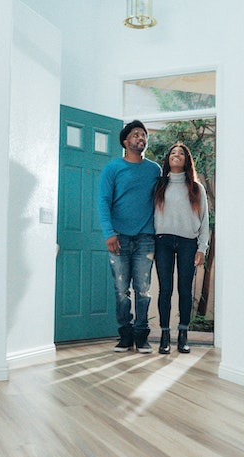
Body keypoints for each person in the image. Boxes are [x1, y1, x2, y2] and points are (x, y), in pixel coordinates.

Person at [98, 120, 162, 353]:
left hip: (146, 237)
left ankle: (141, 334)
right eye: (135, 135)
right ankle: (125, 334)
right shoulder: (113, 168)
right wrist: (109, 234)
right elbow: (103, 202)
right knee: (121, 289)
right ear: (125, 142)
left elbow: (161, 201)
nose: (141, 138)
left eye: (144, 135)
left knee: (143, 290)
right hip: (118, 238)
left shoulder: (154, 169)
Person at [153, 142, 209, 354]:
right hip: (162, 242)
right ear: (168, 160)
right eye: (173, 153)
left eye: (181, 153)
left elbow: (204, 221)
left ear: (187, 160)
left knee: (185, 290)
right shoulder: (159, 185)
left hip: (188, 243)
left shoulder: (197, 188)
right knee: (165, 289)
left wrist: (202, 248)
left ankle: (183, 335)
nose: (176, 155)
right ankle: (165, 336)